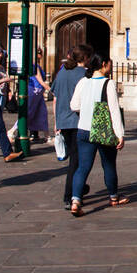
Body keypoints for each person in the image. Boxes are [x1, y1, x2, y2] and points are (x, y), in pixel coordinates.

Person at [69, 56, 128, 216]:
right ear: (103, 64)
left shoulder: (83, 82)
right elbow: (114, 110)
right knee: (108, 164)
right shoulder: (108, 83)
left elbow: (73, 105)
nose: (110, 66)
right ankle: (113, 197)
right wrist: (120, 134)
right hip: (102, 130)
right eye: (109, 63)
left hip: (83, 129)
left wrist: (86, 111)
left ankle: (75, 201)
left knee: (82, 167)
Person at [52, 43, 91, 209]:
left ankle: (79, 188)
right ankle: (70, 195)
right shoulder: (84, 75)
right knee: (77, 161)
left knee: (76, 159)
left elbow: (55, 97)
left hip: (63, 121)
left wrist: (56, 121)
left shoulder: (62, 73)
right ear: (85, 58)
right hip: (77, 121)